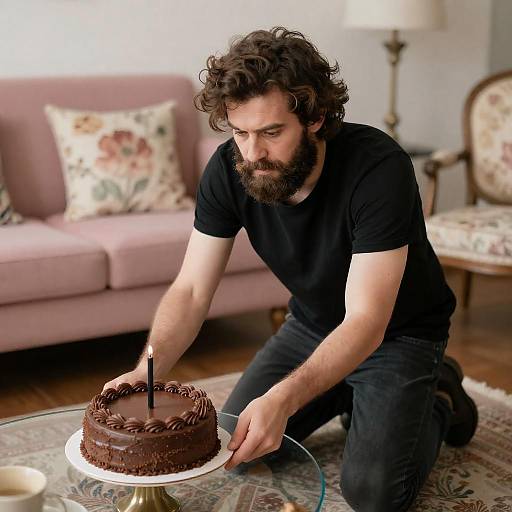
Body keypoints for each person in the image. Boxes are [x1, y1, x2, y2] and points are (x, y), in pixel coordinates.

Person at [104, 27, 478, 511]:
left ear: (317, 117)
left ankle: (441, 398)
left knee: (373, 492)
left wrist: (283, 398)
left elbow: (367, 320)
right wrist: (146, 371)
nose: (252, 153)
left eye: (271, 132)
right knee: (229, 448)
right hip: (311, 325)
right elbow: (192, 290)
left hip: (400, 336)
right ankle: (347, 396)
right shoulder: (230, 168)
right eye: (240, 132)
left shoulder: (379, 169)